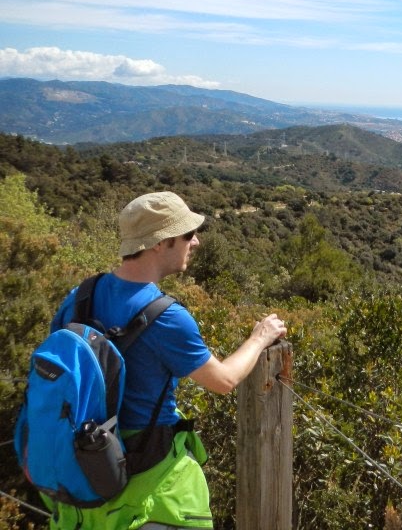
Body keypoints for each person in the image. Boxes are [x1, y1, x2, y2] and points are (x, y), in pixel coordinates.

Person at [44, 191, 287, 530]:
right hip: (148, 481)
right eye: (188, 234)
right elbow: (223, 381)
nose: (196, 242)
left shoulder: (80, 296)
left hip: (81, 476)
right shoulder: (166, 317)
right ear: (160, 243)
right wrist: (259, 337)